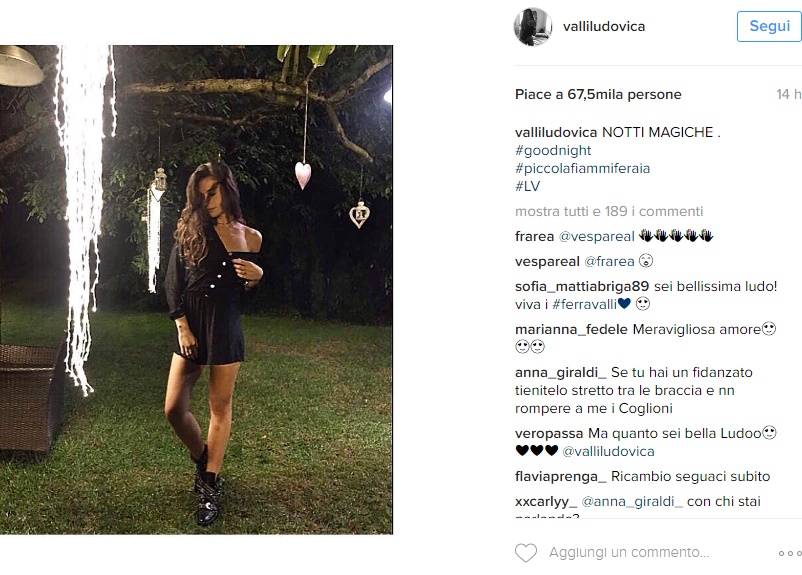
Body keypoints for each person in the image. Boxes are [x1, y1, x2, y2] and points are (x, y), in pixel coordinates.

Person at [164, 161, 263, 527]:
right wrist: (182, 326)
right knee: (173, 408)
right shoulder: (191, 229)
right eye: (201, 194)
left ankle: (209, 486)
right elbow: (173, 282)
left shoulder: (251, 238)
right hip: (192, 323)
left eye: (213, 192)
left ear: (227, 189)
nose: (207, 200)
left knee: (219, 407)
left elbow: (245, 298)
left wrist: (257, 279)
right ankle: (202, 457)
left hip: (225, 324)